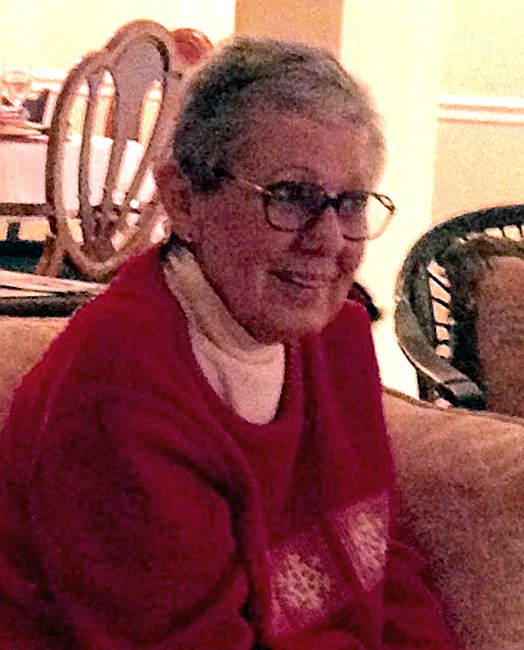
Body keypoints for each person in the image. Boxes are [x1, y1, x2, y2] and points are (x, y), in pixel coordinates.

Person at [0, 37, 457, 648]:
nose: (328, 239)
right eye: (289, 197)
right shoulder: (121, 388)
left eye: (349, 204)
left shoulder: (337, 341)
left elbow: (379, 566)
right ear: (184, 200)